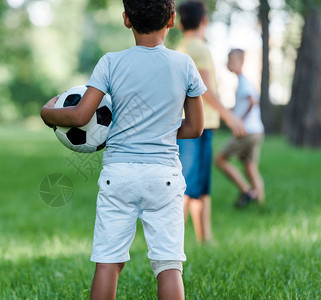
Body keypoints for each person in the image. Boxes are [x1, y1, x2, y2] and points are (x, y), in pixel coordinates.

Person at [40, 1, 206, 298]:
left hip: (118, 176)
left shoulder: (110, 62)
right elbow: (195, 128)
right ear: (171, 20)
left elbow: (79, 116)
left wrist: (47, 113)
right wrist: (161, 130)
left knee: (108, 262)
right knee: (168, 264)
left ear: (126, 19)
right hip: (163, 176)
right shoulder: (185, 65)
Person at [176, 0, 247, 243]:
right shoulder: (198, 48)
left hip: (193, 124)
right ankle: (176, 241)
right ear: (205, 20)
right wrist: (229, 115)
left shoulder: (182, 46)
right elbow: (204, 88)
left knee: (200, 186)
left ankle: (205, 239)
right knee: (187, 186)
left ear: (179, 23)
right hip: (199, 124)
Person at [215, 49, 265, 207]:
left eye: (232, 61)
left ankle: (247, 191)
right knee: (250, 167)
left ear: (241, 62)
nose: (229, 65)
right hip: (257, 131)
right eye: (228, 61)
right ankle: (260, 204)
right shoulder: (245, 82)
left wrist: (238, 121)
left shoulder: (244, 82)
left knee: (220, 159)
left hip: (247, 132)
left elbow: (252, 102)